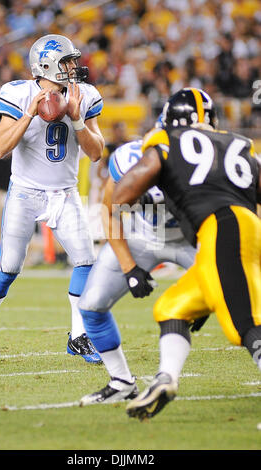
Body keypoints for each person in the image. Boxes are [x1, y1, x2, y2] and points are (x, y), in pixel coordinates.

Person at [109, 87, 261, 421]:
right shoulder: (238, 145)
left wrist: (128, 204)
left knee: (245, 327)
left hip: (221, 229)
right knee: (172, 307)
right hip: (241, 230)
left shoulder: (164, 141)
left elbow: (121, 196)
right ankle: (165, 379)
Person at [0, 34, 105, 366]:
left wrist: (76, 119)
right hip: (25, 192)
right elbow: (0, 149)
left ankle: (78, 336)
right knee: (8, 267)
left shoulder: (83, 95)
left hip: (64, 193)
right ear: (47, 65)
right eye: (67, 62)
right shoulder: (19, 94)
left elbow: (97, 152)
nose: (74, 67)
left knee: (86, 261)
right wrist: (28, 115)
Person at [79, 115, 198, 405]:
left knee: (245, 306)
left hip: (193, 240)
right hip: (142, 234)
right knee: (92, 305)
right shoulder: (128, 158)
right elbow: (109, 211)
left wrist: (205, 283)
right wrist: (129, 267)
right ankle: (121, 381)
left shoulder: (203, 164)